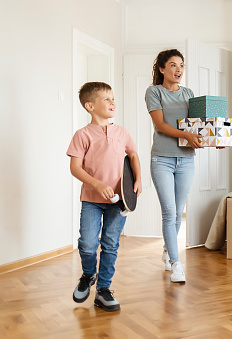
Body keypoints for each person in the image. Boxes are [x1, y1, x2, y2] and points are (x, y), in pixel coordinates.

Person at [67, 82, 142, 311]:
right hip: (91, 199)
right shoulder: (82, 135)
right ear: (90, 106)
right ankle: (89, 274)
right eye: (106, 99)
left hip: (119, 201)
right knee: (88, 245)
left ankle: (103, 290)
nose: (112, 102)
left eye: (113, 98)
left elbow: (133, 155)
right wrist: (97, 184)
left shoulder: (122, 132)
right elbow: (75, 168)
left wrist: (138, 180)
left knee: (110, 244)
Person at [145, 49, 203, 283]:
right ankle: (177, 265)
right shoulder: (154, 92)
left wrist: (212, 140)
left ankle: (168, 250)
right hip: (162, 159)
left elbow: (198, 126)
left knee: (178, 212)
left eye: (181, 65)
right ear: (161, 69)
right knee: (169, 213)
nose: (178, 70)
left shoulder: (188, 93)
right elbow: (160, 125)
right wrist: (187, 136)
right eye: (172, 65)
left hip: (186, 160)